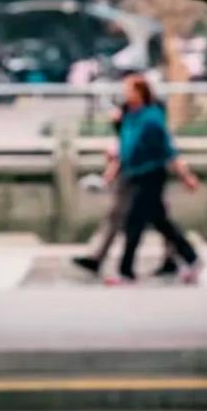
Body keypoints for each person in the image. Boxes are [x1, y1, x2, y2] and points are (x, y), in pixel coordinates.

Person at [110, 73, 200, 284]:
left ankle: (125, 271)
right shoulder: (130, 116)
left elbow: (168, 150)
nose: (125, 94)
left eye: (129, 90)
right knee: (160, 221)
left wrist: (186, 176)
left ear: (141, 93)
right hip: (134, 173)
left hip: (151, 175)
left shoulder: (152, 119)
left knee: (134, 222)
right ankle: (191, 258)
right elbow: (125, 146)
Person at [72, 102, 177, 279]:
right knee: (123, 217)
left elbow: (151, 150)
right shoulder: (133, 117)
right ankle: (105, 259)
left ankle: (171, 258)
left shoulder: (148, 117)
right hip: (131, 176)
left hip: (143, 177)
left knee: (154, 219)